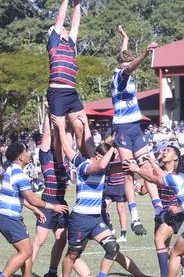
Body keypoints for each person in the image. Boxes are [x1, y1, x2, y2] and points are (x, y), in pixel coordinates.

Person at [126, 152, 184, 277]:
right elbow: (166, 177)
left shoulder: (176, 179)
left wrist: (137, 169)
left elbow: (153, 179)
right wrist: (153, 164)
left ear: (178, 164)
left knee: (175, 254)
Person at [62, 141, 145, 277]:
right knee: (72, 254)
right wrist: (113, 145)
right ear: (98, 155)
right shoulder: (85, 165)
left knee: (113, 247)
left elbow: (95, 151)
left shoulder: (103, 167)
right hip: (80, 220)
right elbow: (71, 148)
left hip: (96, 219)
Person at [112, 24, 161, 236]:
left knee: (148, 165)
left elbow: (125, 56)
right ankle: (135, 218)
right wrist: (145, 53)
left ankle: (158, 207)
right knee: (129, 171)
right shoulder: (121, 75)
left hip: (135, 127)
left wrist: (126, 37)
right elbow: (129, 66)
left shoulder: (124, 69)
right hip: (123, 127)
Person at [0, 142, 68, 277]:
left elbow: (21, 198)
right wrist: (53, 207)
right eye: (26, 151)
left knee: (27, 250)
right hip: (8, 217)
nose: (28, 153)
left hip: (7, 216)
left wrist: (35, 210)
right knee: (26, 251)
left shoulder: (11, 169)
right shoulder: (19, 174)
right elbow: (33, 199)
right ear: (21, 156)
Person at [33, 115, 91, 277]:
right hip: (47, 202)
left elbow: (69, 135)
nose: (57, 141)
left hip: (61, 203)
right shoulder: (46, 156)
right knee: (40, 240)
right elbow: (46, 133)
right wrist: (50, 111)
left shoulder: (66, 159)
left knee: (61, 240)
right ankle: (27, 272)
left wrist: (71, 116)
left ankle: (52, 272)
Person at [46, 0, 95, 158]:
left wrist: (78, 2)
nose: (64, 29)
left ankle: (89, 160)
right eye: (60, 30)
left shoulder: (70, 44)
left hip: (71, 92)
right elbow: (60, 19)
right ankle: (59, 165)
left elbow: (75, 24)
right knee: (58, 133)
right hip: (57, 92)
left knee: (81, 126)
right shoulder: (54, 43)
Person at [139, 145, 184, 277]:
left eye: (167, 151)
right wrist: (138, 188)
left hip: (175, 213)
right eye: (163, 150)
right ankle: (183, 262)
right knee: (163, 248)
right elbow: (144, 190)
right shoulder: (157, 171)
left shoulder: (180, 173)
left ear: (175, 157)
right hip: (160, 213)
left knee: (159, 238)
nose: (163, 152)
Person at [103, 146, 129, 243]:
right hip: (109, 187)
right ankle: (110, 227)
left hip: (120, 187)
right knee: (102, 208)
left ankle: (123, 234)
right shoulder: (107, 157)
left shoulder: (122, 158)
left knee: (121, 210)